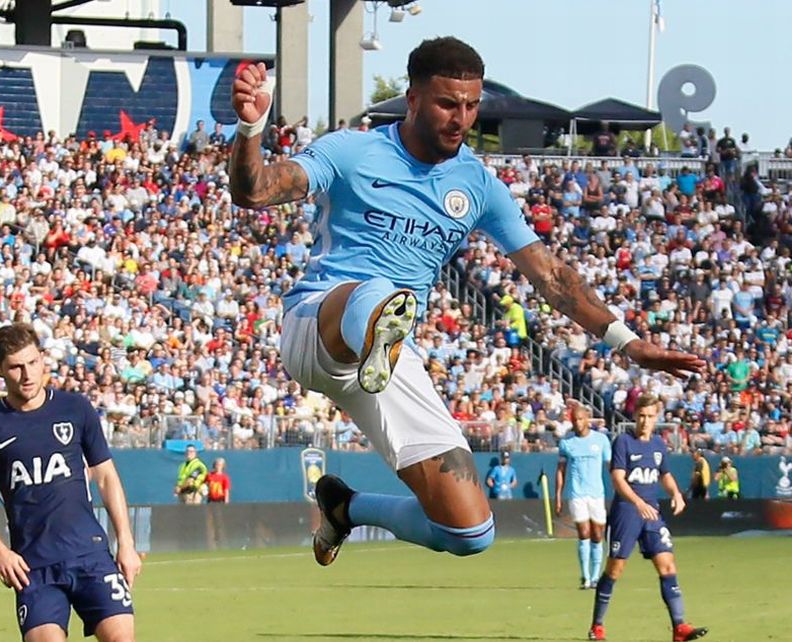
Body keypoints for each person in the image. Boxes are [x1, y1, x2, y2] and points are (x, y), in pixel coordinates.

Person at [229, 37, 704, 568]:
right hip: (319, 325)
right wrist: (251, 128)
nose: (461, 119)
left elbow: (552, 277)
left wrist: (629, 344)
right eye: (447, 104)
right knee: (377, 294)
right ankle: (378, 326)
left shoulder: (477, 184)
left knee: (469, 530)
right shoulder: (351, 151)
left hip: (389, 355)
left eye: (472, 105)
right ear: (412, 98)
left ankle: (346, 508)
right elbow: (256, 190)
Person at [0, 323, 141, 641]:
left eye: (33, 362)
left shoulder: (75, 408)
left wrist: (126, 543)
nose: (28, 375)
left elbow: (106, 477)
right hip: (34, 567)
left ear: (42, 357)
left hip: (91, 555)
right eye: (16, 367)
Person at [588, 394, 707, 642]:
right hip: (626, 512)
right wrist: (638, 503)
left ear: (656, 418)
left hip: (651, 512)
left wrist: (676, 493)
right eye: (641, 416)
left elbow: (664, 474)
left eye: (650, 416)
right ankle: (597, 625)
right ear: (634, 416)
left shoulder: (658, 444)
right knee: (615, 569)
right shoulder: (623, 441)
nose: (645, 421)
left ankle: (679, 627)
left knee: (667, 565)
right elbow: (617, 479)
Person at [554, 405, 611, 590]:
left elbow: (610, 466)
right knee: (584, 533)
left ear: (587, 419)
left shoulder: (601, 440)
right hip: (577, 494)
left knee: (597, 535)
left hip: (597, 494)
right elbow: (561, 470)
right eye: (574, 420)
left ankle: (595, 576)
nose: (577, 423)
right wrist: (558, 496)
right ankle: (586, 577)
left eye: (580, 419)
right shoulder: (567, 443)